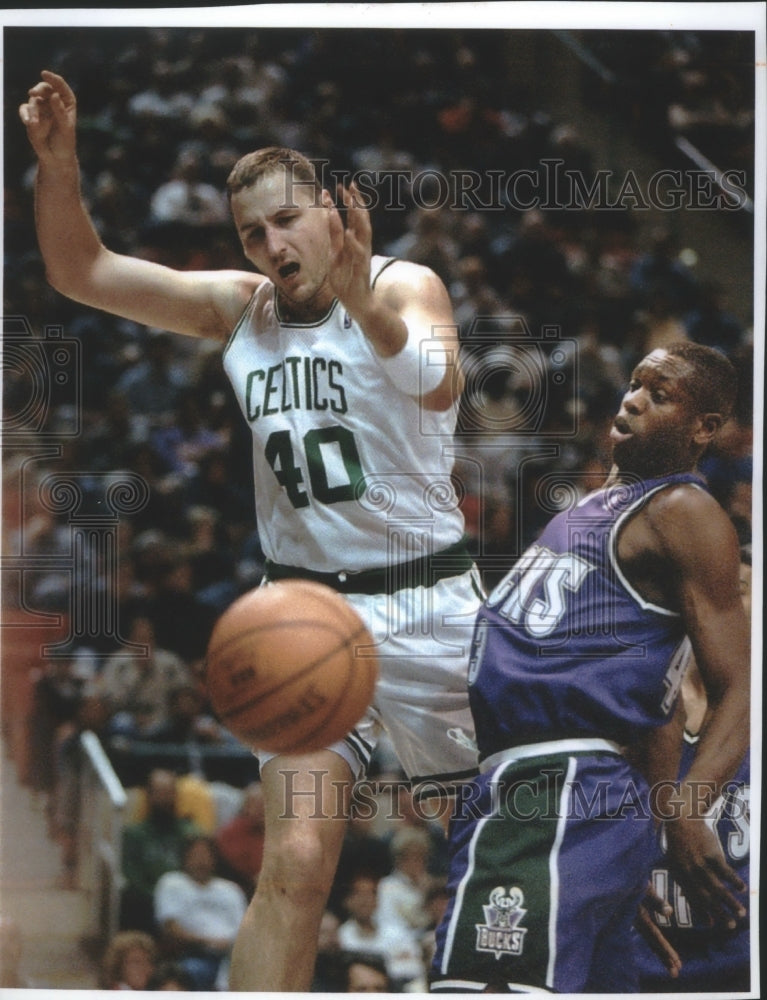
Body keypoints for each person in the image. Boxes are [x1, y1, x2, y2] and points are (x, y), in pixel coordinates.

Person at [20, 71, 482, 992]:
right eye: (251, 234)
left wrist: (364, 303)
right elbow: (84, 272)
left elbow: (437, 383)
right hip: (303, 622)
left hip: (429, 603)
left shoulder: (405, 284)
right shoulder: (240, 309)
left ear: (330, 210)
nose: (271, 245)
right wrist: (59, 166)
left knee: (477, 831)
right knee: (297, 861)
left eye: (285, 221)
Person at [429, 343, 751, 993]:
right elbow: (657, 704)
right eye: (633, 384)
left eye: (660, 395)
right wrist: (620, 859)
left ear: (704, 428)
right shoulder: (593, 508)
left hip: (552, 791)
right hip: (580, 814)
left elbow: (742, 683)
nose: (631, 399)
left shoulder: (681, 511)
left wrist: (689, 807)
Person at [634, 543, 752, 992]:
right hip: (637, 964)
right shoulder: (634, 698)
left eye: (737, 591)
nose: (719, 607)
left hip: (742, 967)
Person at [153, 835, 248, 991]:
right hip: (192, 954)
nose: (201, 861)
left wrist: (231, 946)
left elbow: (245, 929)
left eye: (206, 855)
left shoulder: (231, 890)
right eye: (196, 855)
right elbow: (171, 928)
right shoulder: (171, 883)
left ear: (214, 859)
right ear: (185, 857)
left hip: (233, 957)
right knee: (192, 971)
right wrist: (207, 942)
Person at [120, 768, 204, 933]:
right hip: (147, 902)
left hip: (187, 900)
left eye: (169, 793)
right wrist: (163, 899)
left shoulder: (190, 832)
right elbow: (132, 877)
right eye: (159, 793)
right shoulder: (134, 834)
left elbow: (202, 871)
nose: (165, 798)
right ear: (149, 796)